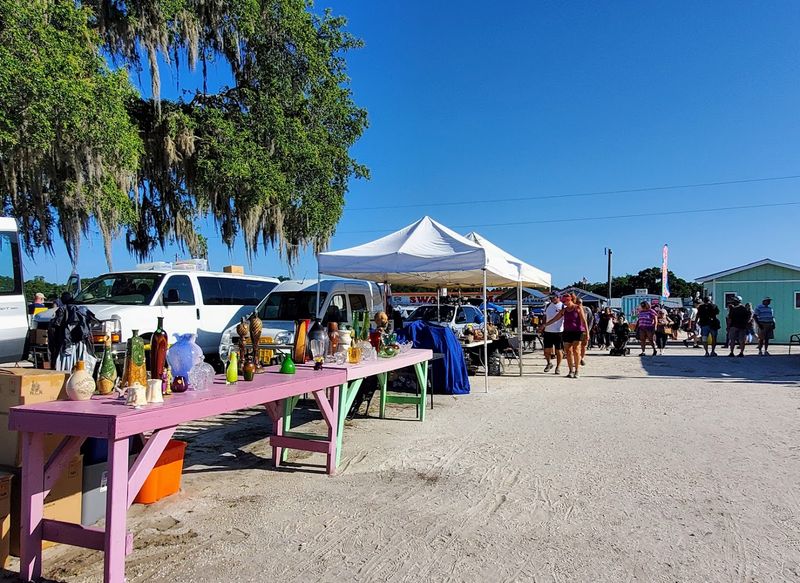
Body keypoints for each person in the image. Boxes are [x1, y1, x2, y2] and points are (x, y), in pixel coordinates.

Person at [541, 293, 588, 378]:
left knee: (576, 351)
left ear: (570, 300)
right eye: (563, 301)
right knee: (568, 352)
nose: (564, 303)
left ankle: (577, 370)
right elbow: (555, 319)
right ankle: (570, 371)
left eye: (565, 301)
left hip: (578, 331)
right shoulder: (564, 310)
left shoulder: (577, 308)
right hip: (567, 332)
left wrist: (587, 333)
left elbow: (584, 321)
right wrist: (545, 325)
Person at [539, 293, 564, 374]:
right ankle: (549, 363)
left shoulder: (563, 306)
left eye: (553, 297)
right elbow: (545, 316)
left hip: (558, 331)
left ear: (558, 297)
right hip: (548, 331)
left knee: (558, 351)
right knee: (546, 350)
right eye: (551, 297)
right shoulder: (548, 305)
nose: (552, 299)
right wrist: (542, 326)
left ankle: (558, 367)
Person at [578, 298, 592, 365]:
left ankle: (582, 358)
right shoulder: (574, 309)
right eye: (577, 302)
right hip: (576, 330)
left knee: (584, 346)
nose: (578, 303)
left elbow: (590, 320)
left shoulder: (586, 309)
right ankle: (577, 359)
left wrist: (588, 330)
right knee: (577, 346)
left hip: (584, 330)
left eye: (580, 302)